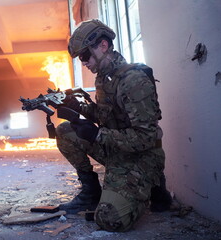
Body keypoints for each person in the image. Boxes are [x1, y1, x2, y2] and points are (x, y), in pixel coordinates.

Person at [56, 19, 172, 232]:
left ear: (103, 46)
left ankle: (153, 185)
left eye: (85, 56)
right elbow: (105, 116)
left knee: (110, 219)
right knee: (65, 131)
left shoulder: (133, 79)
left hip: (142, 156)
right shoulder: (104, 78)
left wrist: (97, 135)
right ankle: (91, 193)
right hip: (118, 149)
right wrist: (79, 108)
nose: (84, 62)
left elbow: (146, 137)